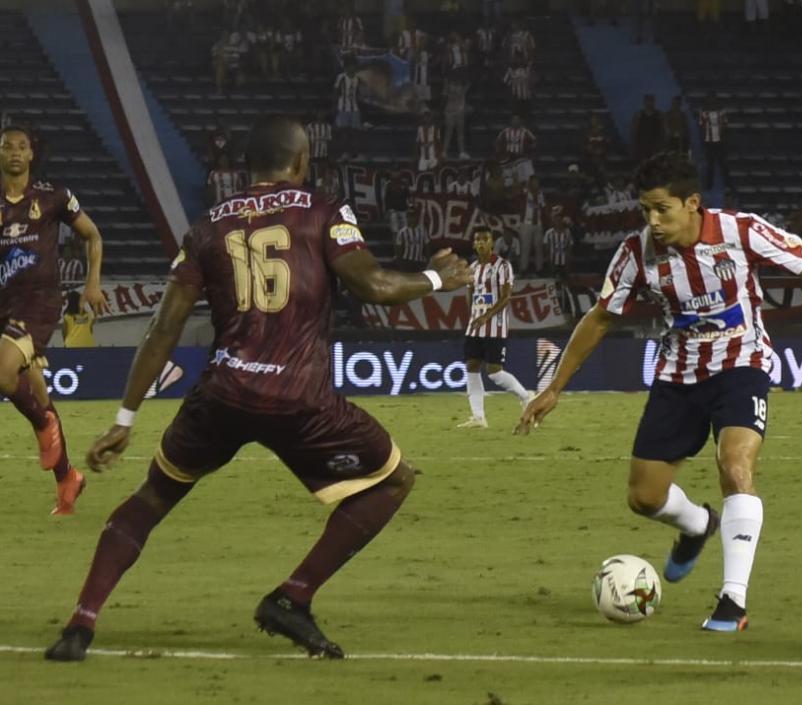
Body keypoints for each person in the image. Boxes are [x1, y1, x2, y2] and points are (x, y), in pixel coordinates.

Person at [43, 115, 472, 662]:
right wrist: (439, 279)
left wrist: (124, 419)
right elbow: (374, 285)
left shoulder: (207, 227)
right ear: (301, 161)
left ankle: (79, 625)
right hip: (300, 398)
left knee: (152, 497)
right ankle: (293, 597)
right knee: (393, 480)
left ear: (248, 166)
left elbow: (164, 326)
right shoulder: (323, 210)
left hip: (223, 394)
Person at [516, 152, 802, 631]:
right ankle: (697, 524)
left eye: (662, 209)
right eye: (645, 210)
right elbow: (601, 317)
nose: (652, 221)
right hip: (678, 374)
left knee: (735, 466)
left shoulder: (741, 231)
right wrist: (554, 387)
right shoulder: (636, 254)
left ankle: (732, 600)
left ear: (692, 203)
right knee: (643, 496)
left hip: (742, 363)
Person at [0, 125, 105, 515]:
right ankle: (68, 480)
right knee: (39, 397)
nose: (14, 152)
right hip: (4, 304)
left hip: (39, 303)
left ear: (31, 154)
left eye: (21, 146)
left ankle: (46, 427)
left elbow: (93, 236)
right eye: (7, 146)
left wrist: (92, 283)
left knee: (3, 373)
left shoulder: (53, 196)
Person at [459, 227, 533, 429]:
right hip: (475, 326)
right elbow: (470, 292)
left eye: (485, 239)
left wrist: (486, 315)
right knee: (471, 366)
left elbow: (506, 296)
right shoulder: (473, 267)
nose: (481, 243)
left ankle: (526, 397)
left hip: (495, 326)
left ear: (492, 242)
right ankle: (478, 417)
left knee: (494, 372)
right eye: (477, 239)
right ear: (473, 244)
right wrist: (473, 315)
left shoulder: (502, 266)